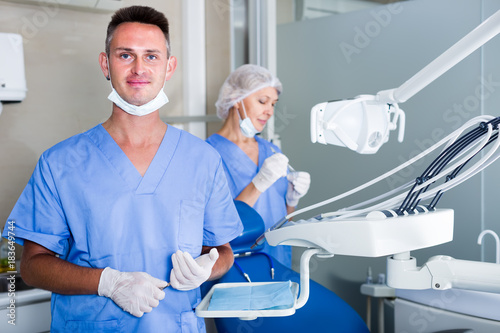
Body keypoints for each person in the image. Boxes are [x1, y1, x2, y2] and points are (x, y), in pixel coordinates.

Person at [2, 6, 243, 332]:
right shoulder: (60, 163)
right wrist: (107, 282)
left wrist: (206, 269)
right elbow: (30, 267)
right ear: (106, 63)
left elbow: (223, 251)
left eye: (152, 56)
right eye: (126, 55)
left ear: (169, 67)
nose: (139, 68)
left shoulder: (202, 158)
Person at [206, 64, 310, 267]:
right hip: (238, 266)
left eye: (273, 104)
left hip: (279, 262)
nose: (269, 111)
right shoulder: (208, 154)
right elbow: (215, 227)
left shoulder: (271, 150)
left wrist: (292, 198)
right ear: (236, 99)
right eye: (263, 101)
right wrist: (259, 184)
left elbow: (282, 220)